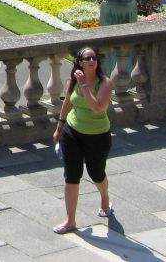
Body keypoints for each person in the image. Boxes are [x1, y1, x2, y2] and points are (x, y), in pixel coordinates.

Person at [52, 46, 114, 234]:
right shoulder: (72, 80)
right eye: (87, 58)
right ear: (80, 62)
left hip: (97, 135)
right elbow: (67, 103)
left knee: (96, 173)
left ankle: (104, 197)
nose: (91, 60)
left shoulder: (104, 83)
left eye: (94, 57)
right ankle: (70, 221)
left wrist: (84, 86)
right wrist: (59, 127)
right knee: (71, 175)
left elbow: (97, 107)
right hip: (72, 132)